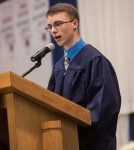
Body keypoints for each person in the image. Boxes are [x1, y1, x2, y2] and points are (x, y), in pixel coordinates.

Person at [45, 3, 121, 150]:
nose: (53, 31)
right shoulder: (59, 68)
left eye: (58, 24)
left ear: (75, 23)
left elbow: (102, 111)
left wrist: (71, 131)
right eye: (50, 26)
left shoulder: (95, 61)